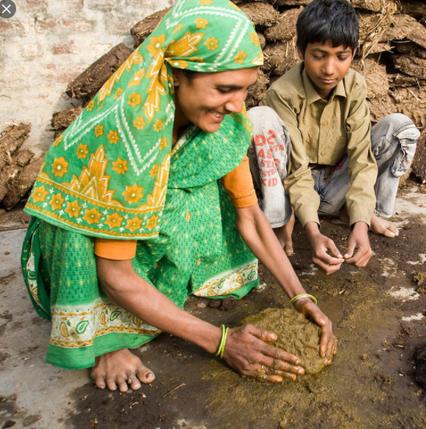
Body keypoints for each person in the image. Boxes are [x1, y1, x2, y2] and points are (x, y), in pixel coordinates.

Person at [20, 0, 336, 392]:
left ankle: (157, 292)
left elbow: (250, 216)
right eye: (224, 89)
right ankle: (104, 339)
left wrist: (301, 297)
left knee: (204, 189)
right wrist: (220, 341)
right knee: (74, 237)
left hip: (139, 227)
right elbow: (115, 276)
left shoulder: (222, 121)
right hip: (86, 241)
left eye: (244, 90)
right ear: (175, 74)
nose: (238, 105)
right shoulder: (128, 133)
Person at [247, 0, 420, 275]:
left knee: (400, 128)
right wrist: (314, 233)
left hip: (336, 184)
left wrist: (360, 224)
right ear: (301, 50)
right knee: (258, 118)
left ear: (353, 55)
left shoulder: (354, 86)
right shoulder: (282, 93)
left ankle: (365, 213)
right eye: (319, 55)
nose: (329, 69)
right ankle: (280, 221)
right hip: (292, 189)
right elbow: (295, 169)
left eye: (341, 56)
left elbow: (362, 159)